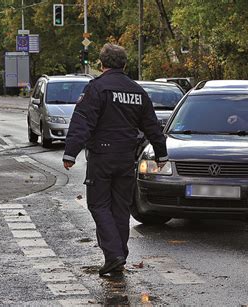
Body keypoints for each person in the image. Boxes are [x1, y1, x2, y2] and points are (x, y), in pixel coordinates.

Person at [62, 43, 168, 276]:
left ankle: (114, 255)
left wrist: (71, 152)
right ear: (125, 64)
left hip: (102, 157)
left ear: (102, 64)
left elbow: (83, 121)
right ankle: (119, 254)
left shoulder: (97, 88)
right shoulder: (137, 91)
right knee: (120, 207)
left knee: (99, 205)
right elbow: (152, 126)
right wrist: (161, 153)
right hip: (126, 158)